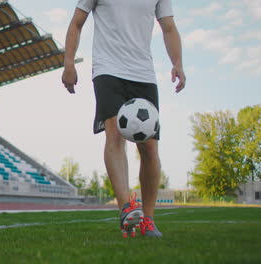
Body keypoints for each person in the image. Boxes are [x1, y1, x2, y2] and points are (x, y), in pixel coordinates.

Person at [62, 0, 186, 237]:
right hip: (107, 69)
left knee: (149, 147)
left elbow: (169, 28)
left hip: (143, 73)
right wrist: (69, 62)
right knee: (115, 132)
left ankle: (148, 219)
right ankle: (126, 208)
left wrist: (177, 63)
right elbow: (77, 23)